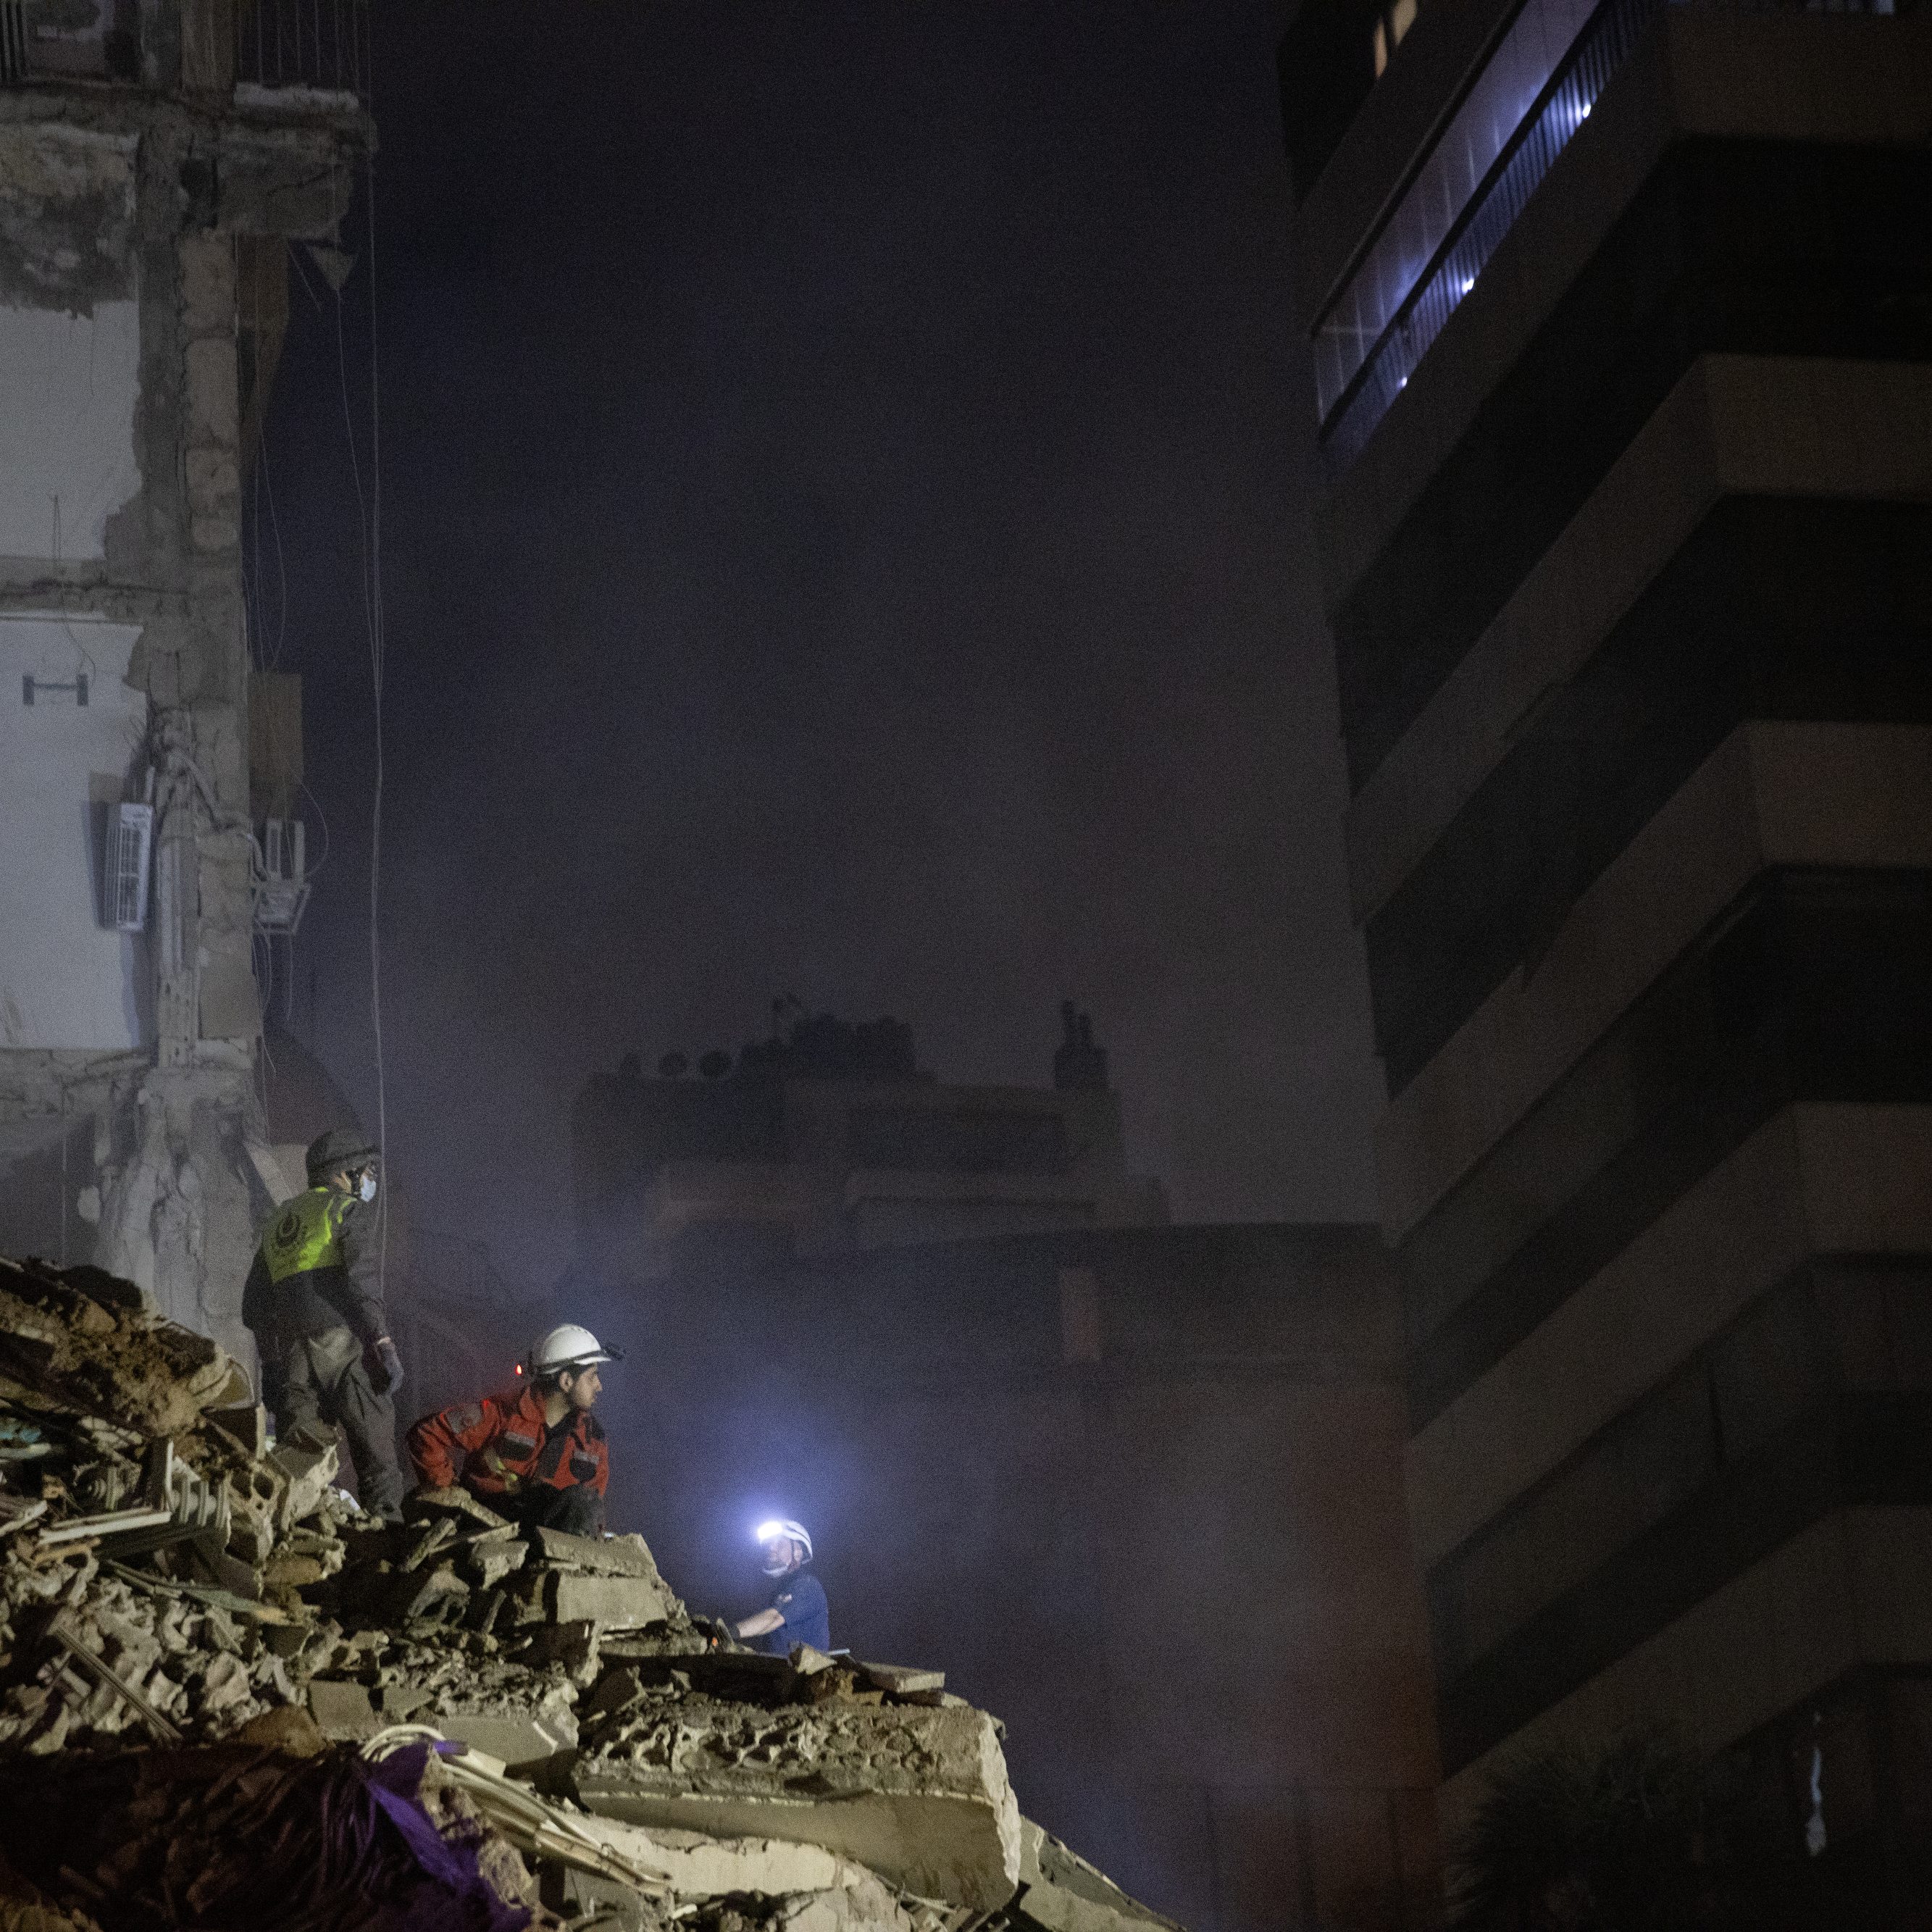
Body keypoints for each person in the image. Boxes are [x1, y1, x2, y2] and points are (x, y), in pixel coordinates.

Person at [242, 1127, 407, 1520]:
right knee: (376, 1452)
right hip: (346, 1345)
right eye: (367, 1172)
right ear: (344, 1173)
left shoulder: (278, 1222)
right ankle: (386, 1538)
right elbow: (360, 1281)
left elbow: (253, 1307)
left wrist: (273, 1367)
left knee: (299, 1460)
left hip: (296, 1355)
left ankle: (300, 1534)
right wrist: (383, 1343)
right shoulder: (345, 1209)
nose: (371, 1181)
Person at [404, 1324, 618, 1536]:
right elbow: (427, 1434)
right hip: (484, 1530)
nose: (599, 1386)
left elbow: (589, 1508)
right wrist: (450, 1494)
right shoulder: (501, 1414)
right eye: (592, 1376)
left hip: (543, 1542)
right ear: (566, 1381)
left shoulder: (592, 1441)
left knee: (581, 1502)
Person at [730, 1519, 829, 1655]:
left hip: (802, 1674)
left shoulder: (808, 1586)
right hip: (778, 1671)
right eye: (769, 1544)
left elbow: (773, 1618)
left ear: (798, 1552)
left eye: (779, 1543)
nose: (771, 1548)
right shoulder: (779, 1591)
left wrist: (729, 1632)